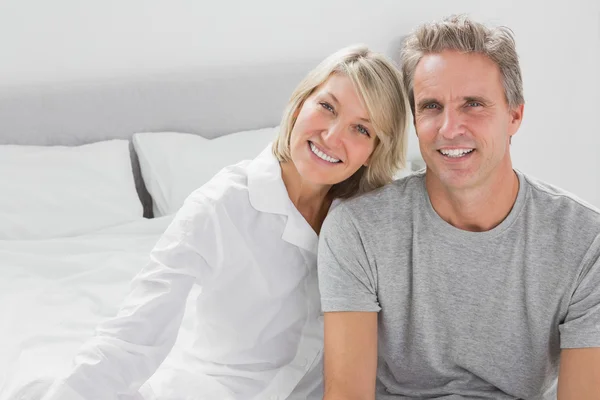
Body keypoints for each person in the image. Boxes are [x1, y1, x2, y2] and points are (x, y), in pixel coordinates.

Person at [40, 44, 411, 400]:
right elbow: (133, 334)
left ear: (374, 151)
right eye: (327, 107)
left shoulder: (372, 217)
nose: (332, 137)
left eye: (361, 129)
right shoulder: (221, 206)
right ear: (299, 105)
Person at [318, 14, 600, 400]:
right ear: (415, 120)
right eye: (431, 106)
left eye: (473, 104)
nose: (450, 128)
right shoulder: (358, 229)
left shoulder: (586, 242)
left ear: (514, 115)